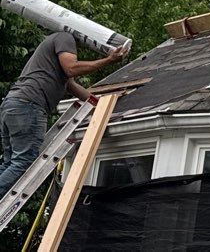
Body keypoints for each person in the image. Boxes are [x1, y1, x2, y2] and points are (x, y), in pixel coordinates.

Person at [0, 32, 128, 193]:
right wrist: (109, 60)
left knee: (10, 163)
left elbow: (72, 86)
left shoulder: (52, 55)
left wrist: (103, 101)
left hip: (13, 104)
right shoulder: (64, 37)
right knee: (24, 161)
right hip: (29, 105)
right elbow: (71, 69)